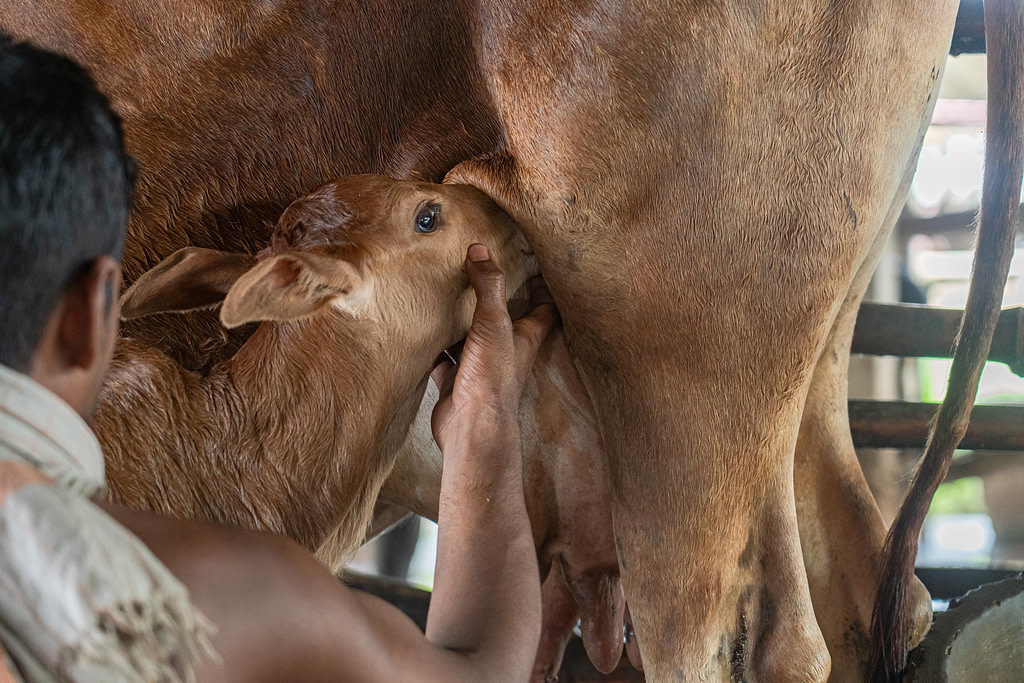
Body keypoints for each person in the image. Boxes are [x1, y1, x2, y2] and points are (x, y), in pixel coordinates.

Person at [0, 34, 552, 682]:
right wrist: (483, 429)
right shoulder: (192, 595)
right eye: (428, 218)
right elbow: (481, 669)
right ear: (91, 312)